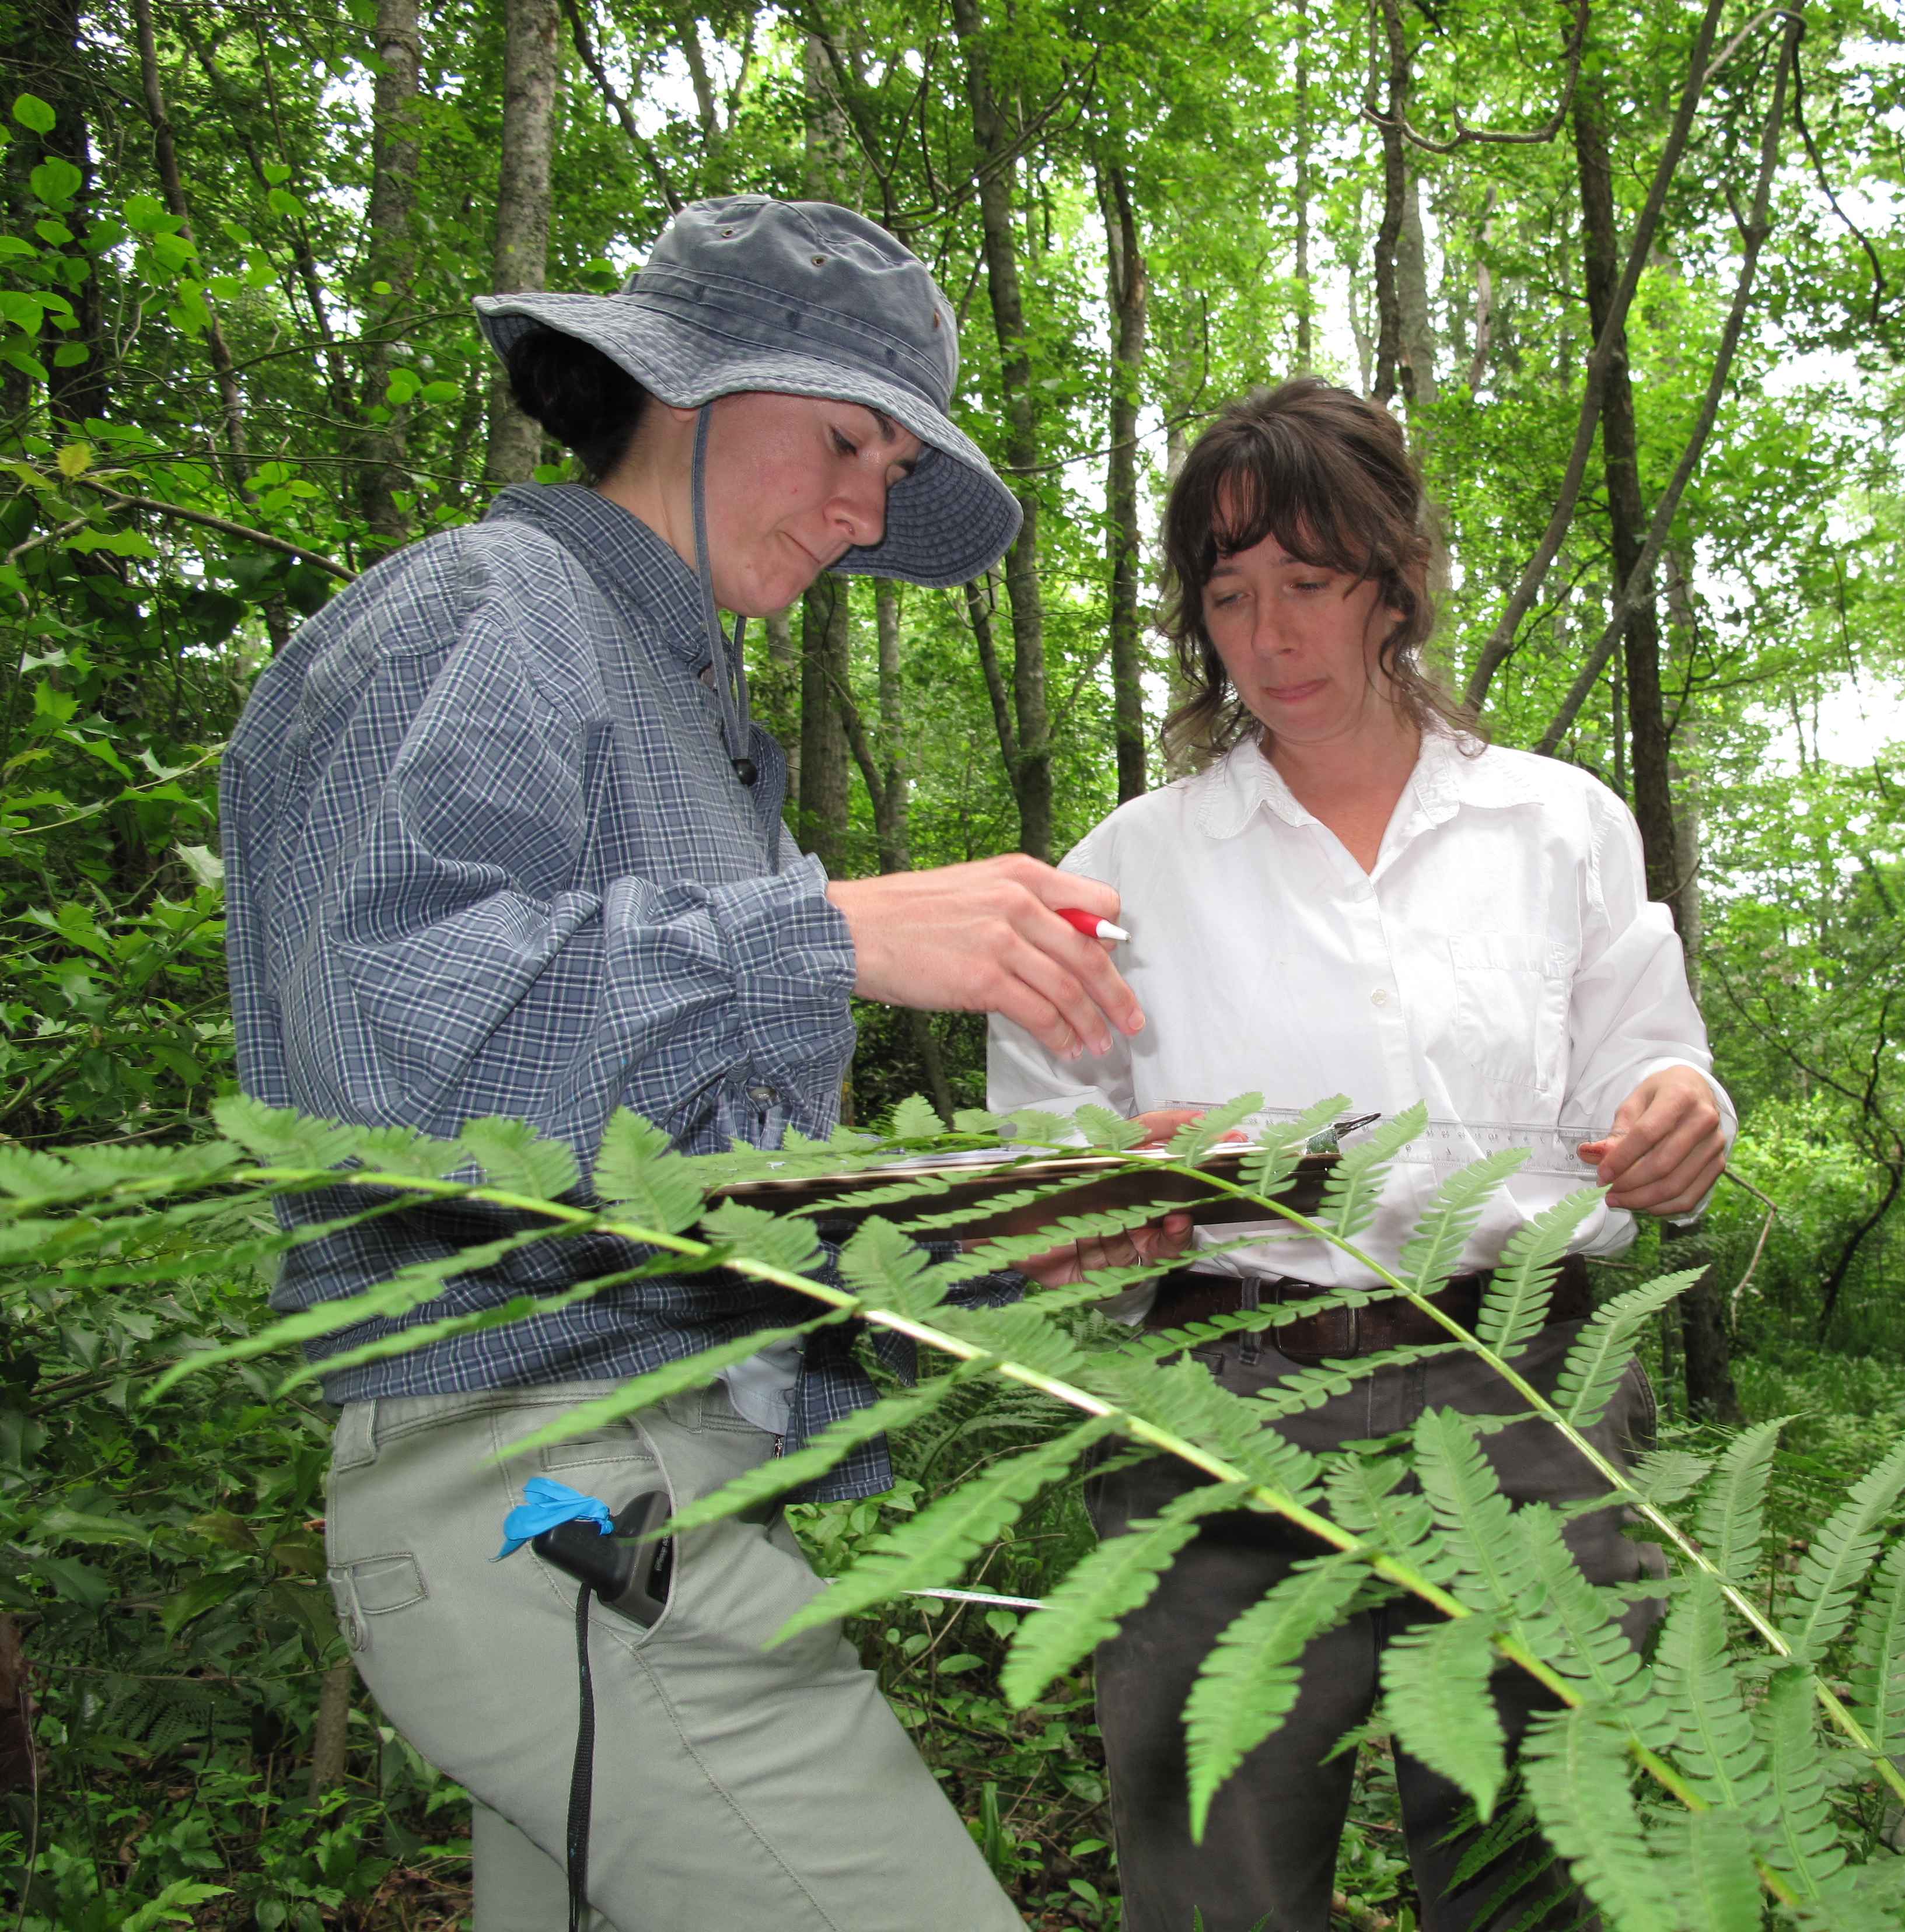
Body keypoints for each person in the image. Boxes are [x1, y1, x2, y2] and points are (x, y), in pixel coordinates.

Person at [222, 195, 1184, 1932]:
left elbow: (684, 1188)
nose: (862, 505)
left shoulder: (697, 723)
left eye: (894, 472)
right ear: (686, 387)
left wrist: (1006, 1220)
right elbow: (380, 1053)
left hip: (632, 1502)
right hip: (538, 1487)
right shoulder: (488, 610)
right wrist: (825, 935)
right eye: (842, 438)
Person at [985, 378, 1736, 1932]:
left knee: (1561, 1862)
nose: (1271, 636)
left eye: (1312, 587)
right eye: (1232, 595)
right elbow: (1037, 1162)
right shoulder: (1127, 867)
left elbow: (1645, 1059)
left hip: (1538, 1383)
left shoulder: (1559, 825)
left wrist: (1682, 1113)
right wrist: (1117, 1188)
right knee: (1219, 1874)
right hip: (1224, 1400)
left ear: (1395, 585)